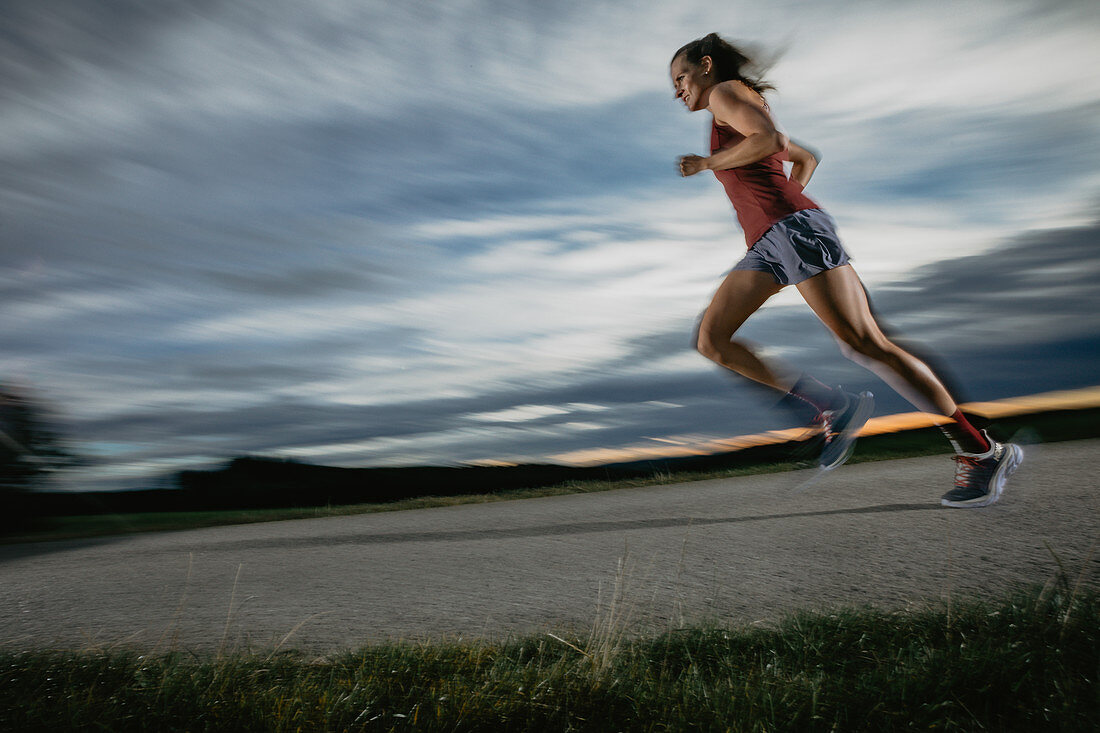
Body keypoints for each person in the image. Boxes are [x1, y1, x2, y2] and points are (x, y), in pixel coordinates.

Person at [670, 33, 1022, 507]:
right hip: (772, 242)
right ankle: (832, 405)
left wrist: (714, 166)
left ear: (706, 66)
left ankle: (981, 451)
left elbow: (771, 140)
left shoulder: (725, 93)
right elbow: (803, 156)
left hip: (791, 232)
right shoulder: (729, 103)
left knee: (864, 343)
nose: (679, 90)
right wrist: (779, 198)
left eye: (682, 77)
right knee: (713, 339)